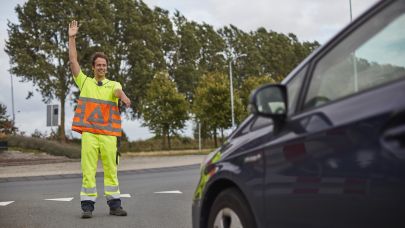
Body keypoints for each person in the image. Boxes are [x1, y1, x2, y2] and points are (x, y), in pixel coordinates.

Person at [68, 20, 131, 219]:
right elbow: (73, 62)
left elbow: (118, 91)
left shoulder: (113, 83)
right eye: (99, 65)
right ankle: (87, 207)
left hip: (109, 135)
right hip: (90, 135)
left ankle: (114, 205)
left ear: (107, 67)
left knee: (111, 170)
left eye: (104, 65)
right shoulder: (85, 81)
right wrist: (72, 38)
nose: (102, 67)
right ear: (93, 67)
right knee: (88, 170)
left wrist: (123, 96)